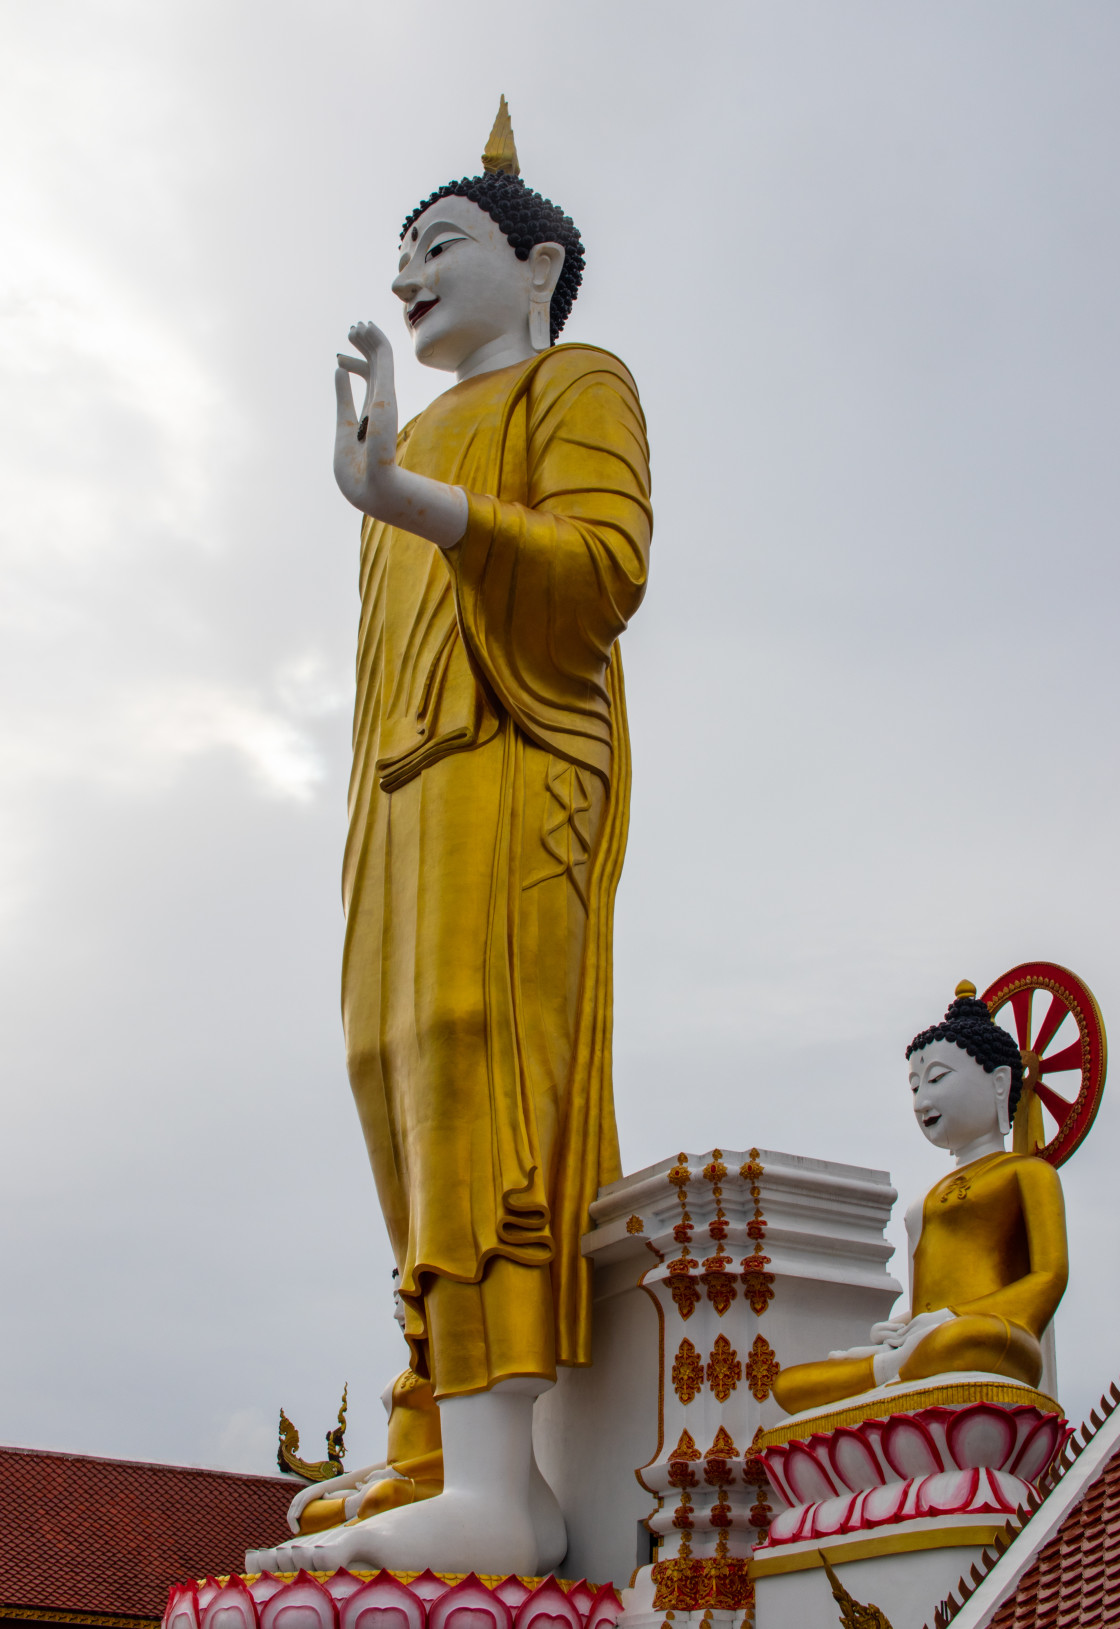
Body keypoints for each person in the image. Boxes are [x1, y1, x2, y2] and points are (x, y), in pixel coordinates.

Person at [252, 103, 650, 1576]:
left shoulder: (579, 381)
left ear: (536, 264)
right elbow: (379, 666)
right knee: (396, 1064)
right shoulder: (406, 443)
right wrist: (391, 491)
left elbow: (603, 576)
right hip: (404, 793)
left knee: (484, 1053)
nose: (410, 273)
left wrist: (412, 499)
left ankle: (503, 1478)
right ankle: (439, 1442)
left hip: (517, 763)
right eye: (401, 253)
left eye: (443, 245)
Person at [772, 985, 1069, 1418]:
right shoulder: (923, 1203)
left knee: (956, 1342)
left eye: (936, 1080)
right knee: (791, 1385)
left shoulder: (1026, 1174)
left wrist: (952, 1316)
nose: (922, 1102)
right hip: (923, 1344)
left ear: (1000, 1082)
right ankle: (894, 1370)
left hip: (989, 1338)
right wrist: (906, 1323)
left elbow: (1048, 1278)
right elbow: (930, 1296)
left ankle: (895, 1371)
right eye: (915, 1087)